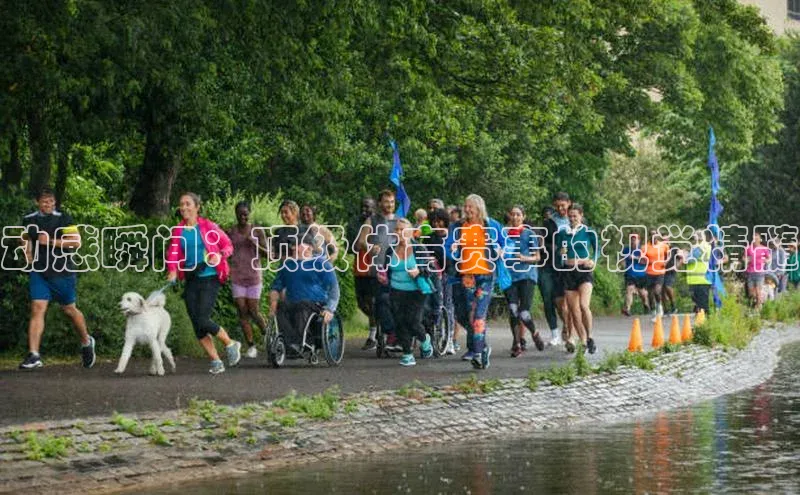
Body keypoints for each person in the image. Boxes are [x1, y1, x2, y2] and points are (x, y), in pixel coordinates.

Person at [18, 187, 96, 370]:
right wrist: (27, 252)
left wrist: (51, 242)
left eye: (51, 201)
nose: (48, 204)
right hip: (39, 271)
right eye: (45, 201)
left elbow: (76, 242)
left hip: (62, 271)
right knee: (37, 308)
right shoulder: (29, 219)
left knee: (69, 309)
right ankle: (34, 355)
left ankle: (86, 341)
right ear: (37, 202)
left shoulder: (64, 218)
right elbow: (25, 237)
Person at [166, 193, 241, 374]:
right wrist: (172, 270)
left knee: (202, 319)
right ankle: (216, 361)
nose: (184, 207)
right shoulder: (178, 230)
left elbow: (228, 246)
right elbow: (173, 253)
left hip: (209, 276)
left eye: (188, 204)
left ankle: (230, 343)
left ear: (197, 207)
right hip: (191, 278)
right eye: (181, 204)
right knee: (196, 323)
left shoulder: (209, 226)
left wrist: (219, 255)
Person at [445, 194, 505, 369]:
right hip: (467, 275)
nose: (467, 209)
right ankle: (483, 347)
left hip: (486, 274)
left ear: (479, 207)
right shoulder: (458, 226)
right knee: (468, 315)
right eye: (466, 206)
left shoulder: (491, 225)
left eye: (470, 206)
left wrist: (502, 250)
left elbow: (505, 242)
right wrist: (453, 251)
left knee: (478, 314)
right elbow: (447, 247)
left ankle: (477, 352)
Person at [269, 227, 340, 355]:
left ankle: (299, 342)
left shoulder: (321, 263)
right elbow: (276, 287)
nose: (293, 247)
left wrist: (330, 309)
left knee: (302, 305)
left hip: (317, 304)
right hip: (293, 303)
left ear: (310, 248)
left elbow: (334, 288)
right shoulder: (287, 265)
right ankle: (290, 343)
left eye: (297, 245)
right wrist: (273, 304)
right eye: (293, 245)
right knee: (281, 307)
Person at [382, 218, 433, 366]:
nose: (399, 232)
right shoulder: (391, 249)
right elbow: (386, 270)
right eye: (397, 229)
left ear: (410, 232)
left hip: (417, 291)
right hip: (396, 290)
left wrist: (419, 271)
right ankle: (407, 354)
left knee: (413, 321)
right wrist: (383, 277)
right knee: (400, 322)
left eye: (403, 229)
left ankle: (425, 339)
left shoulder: (419, 248)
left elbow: (430, 269)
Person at [356, 190, 399, 351]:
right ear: (380, 203)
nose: (390, 205)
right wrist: (369, 247)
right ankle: (384, 334)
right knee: (376, 303)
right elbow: (360, 242)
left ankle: (396, 335)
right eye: (386, 201)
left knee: (395, 302)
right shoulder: (372, 220)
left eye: (392, 202)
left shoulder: (400, 221)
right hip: (377, 269)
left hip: (397, 268)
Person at [226, 200, 269, 358]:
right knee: (242, 311)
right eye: (240, 214)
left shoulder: (257, 231)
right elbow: (222, 248)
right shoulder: (231, 231)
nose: (242, 217)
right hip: (237, 276)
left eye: (245, 214)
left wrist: (255, 244)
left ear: (249, 213)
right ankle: (251, 346)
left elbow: (268, 254)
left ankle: (268, 335)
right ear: (236, 214)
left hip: (253, 276)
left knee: (253, 310)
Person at [555, 204, 598, 354]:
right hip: (568, 271)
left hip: (584, 270)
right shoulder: (563, 233)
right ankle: (583, 340)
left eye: (575, 216)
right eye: (570, 216)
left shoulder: (588, 232)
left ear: (581, 215)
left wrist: (593, 261)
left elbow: (597, 249)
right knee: (573, 310)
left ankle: (590, 336)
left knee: (584, 305)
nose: (572, 218)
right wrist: (562, 253)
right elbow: (561, 252)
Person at [503, 205, 543, 357]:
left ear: (523, 217)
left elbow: (537, 257)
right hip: (509, 276)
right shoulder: (504, 234)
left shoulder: (529, 234)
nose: (515, 217)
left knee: (524, 312)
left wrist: (524, 258)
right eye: (513, 214)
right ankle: (517, 343)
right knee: (513, 310)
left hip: (526, 275)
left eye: (518, 214)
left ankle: (534, 332)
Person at [347, 198, 379, 350]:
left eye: (368, 207)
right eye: (362, 207)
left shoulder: (380, 222)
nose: (364, 209)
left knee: (373, 301)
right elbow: (352, 245)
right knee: (361, 303)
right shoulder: (355, 223)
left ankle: (373, 335)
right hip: (360, 265)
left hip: (375, 266)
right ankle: (378, 324)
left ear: (375, 208)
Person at [540, 192, 571, 347]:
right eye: (557, 206)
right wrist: (554, 248)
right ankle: (554, 334)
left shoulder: (575, 220)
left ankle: (568, 327)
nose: (560, 209)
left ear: (569, 203)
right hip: (548, 265)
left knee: (563, 303)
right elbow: (541, 243)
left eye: (563, 205)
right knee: (548, 299)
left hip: (567, 266)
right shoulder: (548, 222)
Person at [424, 208, 456, 354]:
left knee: (448, 304)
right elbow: (423, 254)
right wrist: (429, 259)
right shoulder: (429, 238)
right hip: (433, 273)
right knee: (433, 304)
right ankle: (433, 335)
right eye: (434, 222)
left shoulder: (452, 236)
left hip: (449, 273)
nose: (437, 225)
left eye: (439, 221)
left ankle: (449, 340)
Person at [643, 229, 670, 322]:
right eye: (651, 234)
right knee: (650, 295)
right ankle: (653, 311)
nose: (653, 236)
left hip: (660, 272)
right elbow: (642, 259)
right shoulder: (645, 247)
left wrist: (666, 261)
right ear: (649, 236)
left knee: (657, 291)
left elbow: (668, 255)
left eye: (655, 234)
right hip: (649, 273)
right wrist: (646, 261)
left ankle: (659, 307)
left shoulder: (663, 245)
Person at [620, 233, 650, 317]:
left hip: (641, 274)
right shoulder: (626, 249)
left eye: (635, 239)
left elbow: (646, 261)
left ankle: (646, 305)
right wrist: (622, 265)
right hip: (630, 274)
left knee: (643, 293)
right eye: (632, 239)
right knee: (629, 289)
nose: (633, 241)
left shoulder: (642, 250)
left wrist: (635, 258)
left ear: (639, 241)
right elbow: (622, 259)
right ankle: (627, 309)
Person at [684, 230, 711, 314]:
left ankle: (706, 321)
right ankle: (701, 321)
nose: (693, 239)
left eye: (694, 237)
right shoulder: (697, 247)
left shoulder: (703, 246)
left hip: (701, 280)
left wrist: (683, 255)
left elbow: (690, 260)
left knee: (702, 306)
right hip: (695, 280)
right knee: (698, 306)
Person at [745, 232, 771, 311]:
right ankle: (760, 302)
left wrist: (766, 261)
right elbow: (744, 258)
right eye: (754, 239)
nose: (755, 240)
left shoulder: (764, 248)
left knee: (758, 290)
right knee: (751, 292)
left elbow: (769, 258)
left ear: (760, 239)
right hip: (750, 272)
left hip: (760, 273)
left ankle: (758, 308)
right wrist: (746, 260)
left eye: (756, 238)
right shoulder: (748, 248)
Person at [662, 236, 679, 314]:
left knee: (667, 286)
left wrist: (677, 266)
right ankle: (665, 309)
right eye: (663, 239)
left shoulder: (674, 248)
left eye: (666, 239)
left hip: (671, 271)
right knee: (661, 290)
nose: (665, 241)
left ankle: (673, 305)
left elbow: (681, 257)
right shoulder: (660, 248)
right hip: (661, 270)